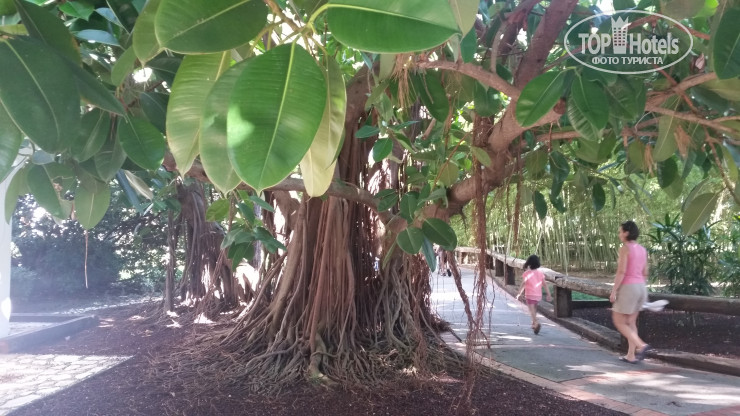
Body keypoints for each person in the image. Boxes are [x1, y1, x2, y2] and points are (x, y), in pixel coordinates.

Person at [610, 220, 651, 364]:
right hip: (641, 287)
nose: (619, 234)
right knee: (631, 322)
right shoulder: (642, 249)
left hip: (629, 287)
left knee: (619, 321)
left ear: (626, 233)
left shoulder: (625, 248)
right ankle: (631, 355)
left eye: (620, 231)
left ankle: (641, 345)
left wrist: (614, 291)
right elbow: (645, 272)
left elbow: (621, 271)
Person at [516, 254, 552, 334]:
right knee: (534, 309)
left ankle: (536, 322)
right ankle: (533, 323)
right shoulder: (540, 273)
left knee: (531, 310)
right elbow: (545, 284)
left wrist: (519, 293)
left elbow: (523, 284)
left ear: (529, 263)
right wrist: (549, 294)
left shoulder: (527, 273)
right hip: (538, 295)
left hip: (529, 295)